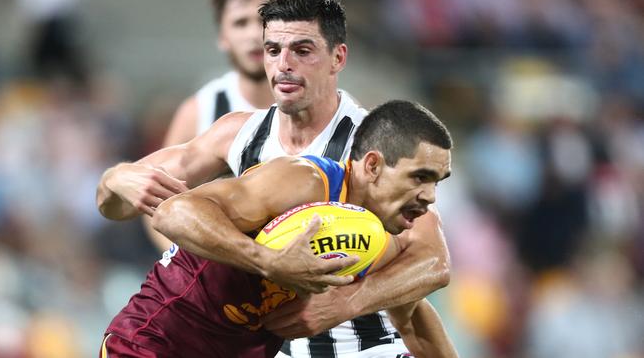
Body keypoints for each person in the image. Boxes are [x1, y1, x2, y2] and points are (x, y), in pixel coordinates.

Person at [97, 0, 452, 356]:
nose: (284, 64)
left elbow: (432, 261)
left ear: (338, 57)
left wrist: (347, 303)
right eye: (273, 50)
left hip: (360, 345)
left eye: (302, 50)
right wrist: (116, 180)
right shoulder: (239, 133)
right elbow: (124, 207)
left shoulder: (370, 149)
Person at [100, 100, 457, 358]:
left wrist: (347, 302)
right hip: (152, 343)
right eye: (419, 178)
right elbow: (171, 213)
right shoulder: (304, 182)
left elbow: (412, 315)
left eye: (437, 182)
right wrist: (268, 260)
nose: (429, 197)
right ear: (374, 165)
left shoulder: (376, 234)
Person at [144, 0, 275, 251]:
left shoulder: (326, 105)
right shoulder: (199, 110)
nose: (253, 35)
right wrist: (188, 260)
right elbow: (153, 203)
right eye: (240, 23)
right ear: (223, 38)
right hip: (222, 275)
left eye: (264, 21)